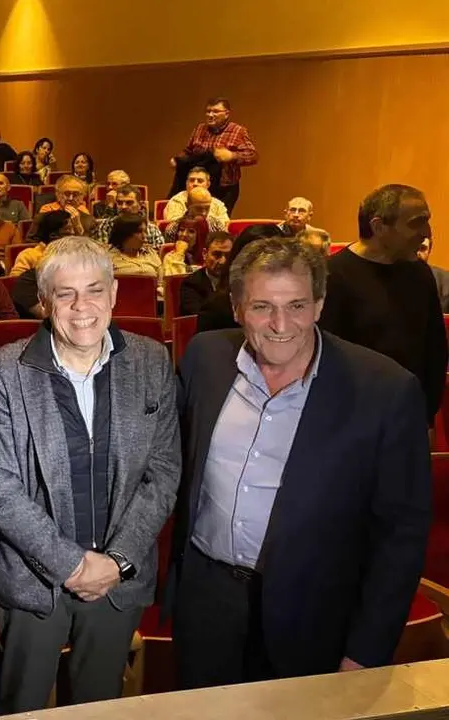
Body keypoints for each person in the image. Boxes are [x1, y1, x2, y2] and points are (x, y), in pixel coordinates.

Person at [172, 235, 430, 688]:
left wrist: (366, 651)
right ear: (235, 307)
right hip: (207, 603)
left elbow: (401, 535)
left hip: (315, 615)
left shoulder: (385, 390)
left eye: (296, 305)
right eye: (261, 307)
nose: (280, 324)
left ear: (319, 304)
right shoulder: (205, 358)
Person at [0, 236, 179, 713]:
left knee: (98, 706)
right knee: (21, 704)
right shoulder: (4, 371)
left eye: (94, 290)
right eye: (65, 293)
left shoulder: (151, 361)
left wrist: (118, 560)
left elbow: (165, 470)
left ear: (114, 295)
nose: (82, 306)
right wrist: (71, 564)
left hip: (118, 578)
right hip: (32, 579)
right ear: (44, 303)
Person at [318, 184, 445, 427]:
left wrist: (426, 415)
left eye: (426, 221)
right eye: (416, 223)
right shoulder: (332, 275)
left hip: (409, 417)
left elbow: (435, 350)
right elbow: (326, 358)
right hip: (351, 420)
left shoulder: (419, 274)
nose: (426, 232)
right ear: (379, 227)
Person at [172, 97, 258, 213]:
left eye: (215, 111)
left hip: (224, 188)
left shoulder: (238, 131)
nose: (210, 115)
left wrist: (232, 156)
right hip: (199, 187)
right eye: (208, 111)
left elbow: (253, 156)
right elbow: (189, 151)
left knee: (216, 220)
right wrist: (178, 160)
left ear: (226, 114)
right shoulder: (200, 129)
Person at [91, 185, 165, 250]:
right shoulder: (106, 225)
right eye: (119, 203)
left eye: (129, 203)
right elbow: (103, 252)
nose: (123, 207)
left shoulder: (152, 228)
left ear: (140, 205)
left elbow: (158, 254)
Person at [178, 231, 233, 316]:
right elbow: (197, 318)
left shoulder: (238, 280)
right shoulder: (191, 284)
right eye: (217, 254)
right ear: (204, 254)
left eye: (228, 255)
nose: (223, 261)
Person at [163, 167, 230, 223]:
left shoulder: (218, 204)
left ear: (208, 184)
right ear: (186, 183)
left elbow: (225, 224)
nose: (195, 184)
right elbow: (174, 225)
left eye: (200, 181)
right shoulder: (177, 201)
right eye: (192, 180)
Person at [108, 216, 163, 282]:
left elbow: (161, 283)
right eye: (139, 232)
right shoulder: (109, 258)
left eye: (145, 231)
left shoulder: (151, 253)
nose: (144, 236)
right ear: (125, 234)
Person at [417, 238, 449, 312]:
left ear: (429, 251)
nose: (417, 253)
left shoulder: (445, 281)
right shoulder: (388, 279)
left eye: (422, 248)